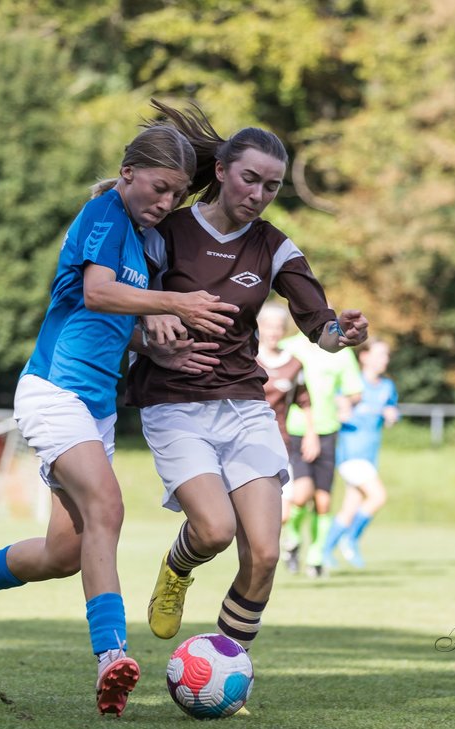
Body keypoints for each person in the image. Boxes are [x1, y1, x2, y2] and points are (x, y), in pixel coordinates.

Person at [0, 124, 238, 717]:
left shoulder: (145, 241)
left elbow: (118, 324)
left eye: (175, 197)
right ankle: (112, 657)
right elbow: (98, 293)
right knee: (108, 507)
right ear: (128, 173)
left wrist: (157, 347)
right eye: (158, 189)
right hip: (53, 392)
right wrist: (176, 303)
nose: (164, 204)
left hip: (96, 408)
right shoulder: (104, 214)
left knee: (64, 552)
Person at [125, 100, 368, 658]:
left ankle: (227, 667)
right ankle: (177, 566)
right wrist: (149, 333)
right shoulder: (168, 229)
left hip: (243, 404)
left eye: (272, 186)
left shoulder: (274, 245)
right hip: (174, 402)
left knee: (262, 551)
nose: (258, 195)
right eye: (250, 179)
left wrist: (341, 330)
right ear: (220, 172)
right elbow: (118, 301)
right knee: (213, 530)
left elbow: (319, 326)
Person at [280, 324, 364, 578]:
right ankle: (292, 540)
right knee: (301, 494)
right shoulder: (288, 349)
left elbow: (355, 391)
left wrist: (345, 400)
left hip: (328, 431)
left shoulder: (340, 350)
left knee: (324, 501)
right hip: (295, 430)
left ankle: (316, 557)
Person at [321, 339, 399, 570]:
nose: (383, 360)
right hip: (350, 455)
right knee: (378, 496)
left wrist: (391, 415)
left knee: (350, 507)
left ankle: (324, 552)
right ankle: (350, 539)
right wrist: (340, 410)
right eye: (379, 354)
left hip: (369, 457)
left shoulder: (387, 387)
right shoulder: (352, 384)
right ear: (364, 357)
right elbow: (334, 406)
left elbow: (391, 411)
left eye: (386, 355)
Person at [254, 303, 312, 526]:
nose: (273, 332)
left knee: (283, 513)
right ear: (259, 327)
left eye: (278, 327)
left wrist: (310, 434)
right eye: (269, 326)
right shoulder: (247, 360)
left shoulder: (294, 364)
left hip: (279, 443)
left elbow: (305, 401)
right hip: (244, 442)